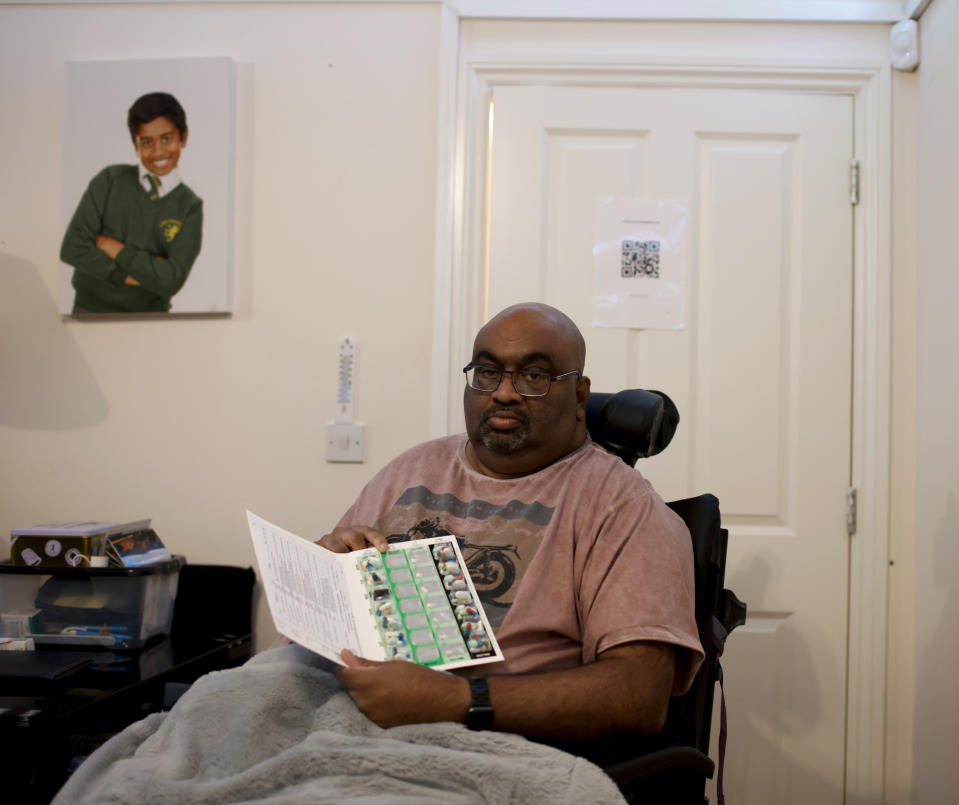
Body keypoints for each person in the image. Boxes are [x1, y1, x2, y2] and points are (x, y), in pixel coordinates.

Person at [315, 302, 704, 742]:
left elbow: (638, 695)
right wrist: (333, 566)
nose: (503, 392)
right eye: (487, 372)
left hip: (478, 743)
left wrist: (453, 699)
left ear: (579, 395)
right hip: (334, 707)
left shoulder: (621, 507)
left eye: (534, 376)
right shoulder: (411, 470)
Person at [60, 92, 203, 314]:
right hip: (88, 313)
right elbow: (72, 248)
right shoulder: (109, 180)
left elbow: (171, 281)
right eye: (147, 142)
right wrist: (148, 272)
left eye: (167, 139)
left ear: (183, 138)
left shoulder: (190, 206)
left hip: (151, 322)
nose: (158, 152)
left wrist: (111, 246)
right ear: (135, 144)